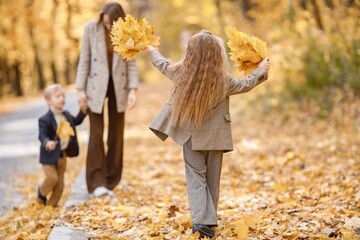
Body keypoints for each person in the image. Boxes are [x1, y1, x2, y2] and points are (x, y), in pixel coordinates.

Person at [145, 30, 270, 238]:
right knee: (212, 179)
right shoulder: (224, 81)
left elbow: (163, 64)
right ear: (217, 55)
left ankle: (200, 221)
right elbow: (247, 84)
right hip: (215, 138)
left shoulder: (181, 73)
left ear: (191, 54)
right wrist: (260, 70)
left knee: (196, 178)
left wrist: (150, 50)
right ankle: (207, 221)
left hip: (190, 138)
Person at [75, 2, 139, 197]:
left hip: (118, 86)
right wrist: (80, 90)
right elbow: (84, 59)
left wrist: (133, 90)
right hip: (95, 86)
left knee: (116, 134)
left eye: (111, 24)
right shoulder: (90, 29)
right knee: (96, 134)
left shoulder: (129, 31)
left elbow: (131, 63)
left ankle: (110, 180)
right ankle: (96, 183)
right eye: (105, 23)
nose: (108, 27)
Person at [37, 84, 87, 207]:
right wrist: (47, 143)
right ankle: (41, 193)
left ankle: (51, 206)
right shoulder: (45, 119)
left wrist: (82, 111)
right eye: (57, 96)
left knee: (60, 184)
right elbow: (42, 135)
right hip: (48, 156)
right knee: (52, 178)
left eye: (63, 96)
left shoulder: (66, 115)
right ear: (49, 101)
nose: (62, 98)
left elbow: (76, 121)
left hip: (62, 155)